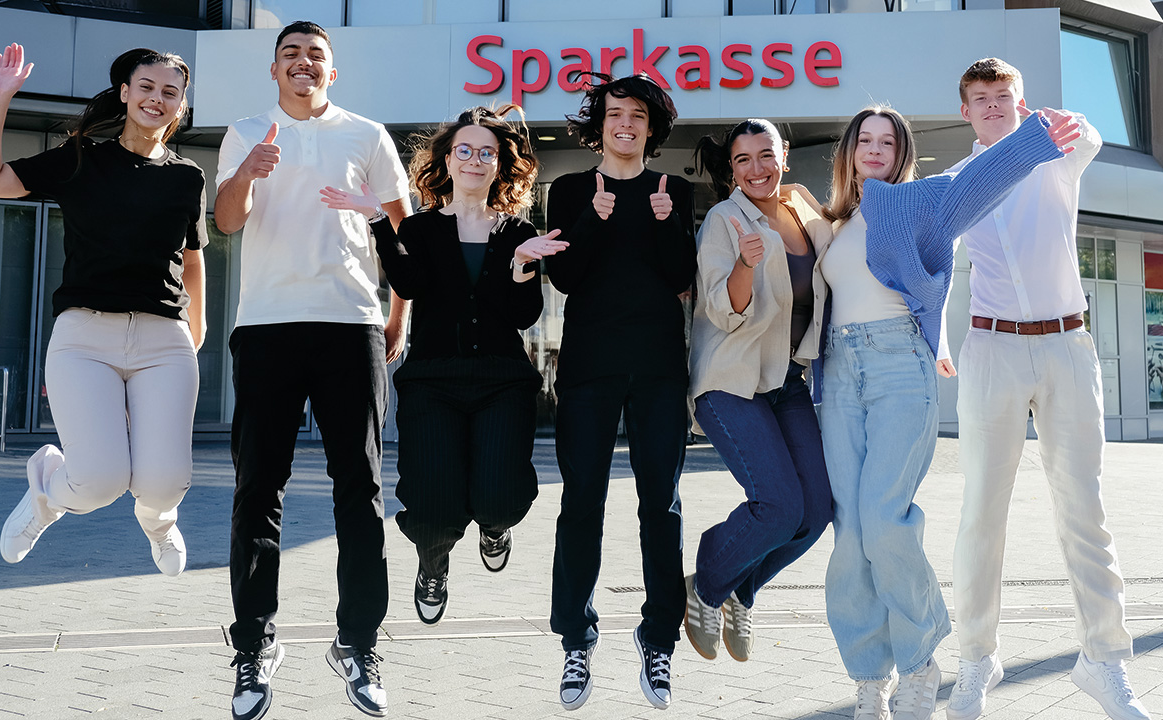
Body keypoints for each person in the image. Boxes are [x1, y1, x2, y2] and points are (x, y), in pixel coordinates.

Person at [815, 105, 1076, 720]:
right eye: (864, 140)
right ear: (849, 151)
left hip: (899, 367)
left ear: (902, 152)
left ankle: (920, 657)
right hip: (838, 375)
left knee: (883, 519)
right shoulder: (831, 223)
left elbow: (972, 186)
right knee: (851, 534)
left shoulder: (917, 204)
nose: (874, 149)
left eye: (887, 141)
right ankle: (867, 675)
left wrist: (1032, 142)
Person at [213, 21, 411, 720]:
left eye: (316, 55)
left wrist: (399, 314)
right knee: (256, 487)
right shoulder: (245, 132)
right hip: (266, 326)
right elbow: (227, 222)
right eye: (291, 54)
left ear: (334, 70)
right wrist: (245, 174)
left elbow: (399, 227)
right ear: (274, 69)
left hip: (351, 323)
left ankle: (358, 642)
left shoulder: (367, 135)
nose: (304, 63)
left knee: (359, 489)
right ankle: (254, 643)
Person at [944, 58, 1150, 720]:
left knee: (1084, 510)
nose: (993, 106)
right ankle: (976, 660)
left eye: (1004, 97)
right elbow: (923, 262)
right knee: (982, 514)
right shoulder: (956, 181)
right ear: (966, 113)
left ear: (1022, 103)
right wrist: (936, 342)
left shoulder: (1055, 158)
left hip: (1067, 346)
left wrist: (1046, 128)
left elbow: (1087, 134)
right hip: (992, 349)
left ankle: (1104, 661)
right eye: (981, 99)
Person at [318, 105, 567, 625]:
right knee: (432, 508)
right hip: (432, 380)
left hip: (502, 380)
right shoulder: (425, 227)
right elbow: (409, 285)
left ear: (499, 165)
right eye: (465, 150)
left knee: (499, 499)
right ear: (448, 161)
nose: (475, 159)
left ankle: (495, 526)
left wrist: (523, 266)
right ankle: (433, 561)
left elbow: (524, 316)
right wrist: (378, 220)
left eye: (487, 152)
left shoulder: (518, 230)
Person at [0, 44, 207, 578]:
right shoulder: (80, 157)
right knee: (99, 481)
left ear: (180, 105)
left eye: (170, 92)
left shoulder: (187, 177)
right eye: (146, 87)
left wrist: (198, 325)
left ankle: (159, 522)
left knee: (165, 481)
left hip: (164, 338)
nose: (157, 98)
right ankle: (45, 494)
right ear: (125, 93)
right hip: (84, 338)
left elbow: (192, 255)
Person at [544, 73, 696, 712]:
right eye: (614, 114)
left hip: (659, 367)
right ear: (598, 123)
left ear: (651, 127)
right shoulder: (570, 189)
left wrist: (666, 225)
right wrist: (591, 219)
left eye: (637, 115)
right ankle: (576, 639)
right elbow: (565, 274)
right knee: (583, 502)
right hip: (588, 368)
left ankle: (658, 637)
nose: (625, 124)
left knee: (660, 504)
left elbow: (682, 278)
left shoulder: (674, 190)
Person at [681, 119, 834, 664]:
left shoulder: (802, 210)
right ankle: (707, 584)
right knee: (777, 506)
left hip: (787, 379)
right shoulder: (725, 220)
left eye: (765, 155)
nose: (756, 169)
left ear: (784, 155)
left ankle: (739, 589)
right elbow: (725, 310)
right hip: (731, 378)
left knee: (815, 511)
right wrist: (747, 263)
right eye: (742, 160)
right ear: (731, 169)